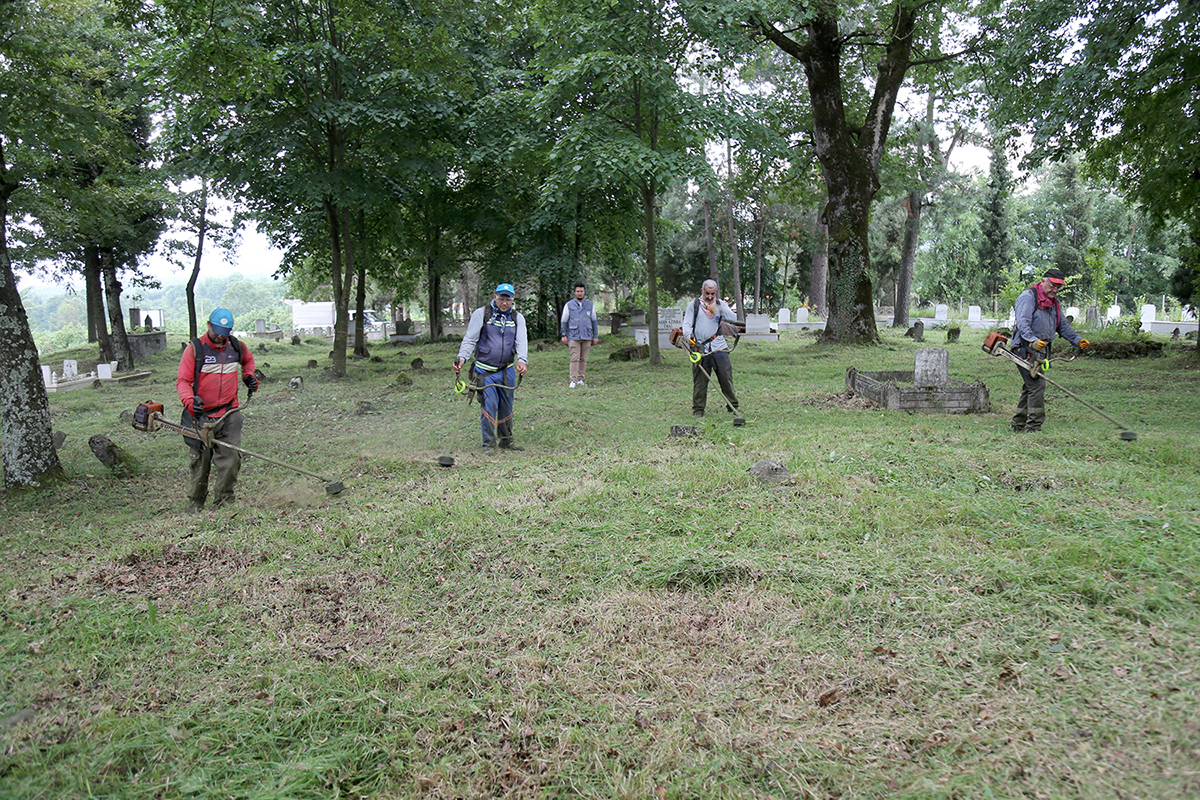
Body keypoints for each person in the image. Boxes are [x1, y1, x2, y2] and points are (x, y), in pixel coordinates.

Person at [176, 308, 258, 512]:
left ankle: (223, 502)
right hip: (201, 416)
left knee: (231, 460)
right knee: (201, 462)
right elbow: (183, 381)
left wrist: (249, 375)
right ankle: (196, 503)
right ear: (208, 325)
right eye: (217, 330)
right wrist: (189, 402)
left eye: (225, 331)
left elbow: (248, 361)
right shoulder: (196, 349)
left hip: (229, 412)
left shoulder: (236, 347)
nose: (220, 336)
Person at [1010, 268, 1089, 432]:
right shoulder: (1029, 297)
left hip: (1041, 350)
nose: (1055, 290)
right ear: (1044, 281)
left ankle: (1018, 424)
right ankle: (1033, 427)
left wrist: (1077, 340)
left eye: (1058, 287)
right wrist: (1032, 341)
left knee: (1030, 386)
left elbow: (1062, 326)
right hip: (1025, 348)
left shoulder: (1053, 302)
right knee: (1037, 385)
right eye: (1052, 286)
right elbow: (1023, 323)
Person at [454, 283, 529, 451]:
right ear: (495, 296)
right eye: (501, 298)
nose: (504, 303)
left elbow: (522, 341)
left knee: (506, 406)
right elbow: (470, 339)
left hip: (507, 370)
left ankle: (506, 441)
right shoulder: (481, 314)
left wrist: (522, 360)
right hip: (484, 372)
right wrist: (462, 358)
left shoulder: (517, 318)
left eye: (508, 299)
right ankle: (488, 445)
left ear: (512, 299)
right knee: (490, 405)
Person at [682, 279, 739, 418]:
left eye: (712, 294)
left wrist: (719, 308)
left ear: (716, 293)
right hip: (700, 348)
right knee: (700, 382)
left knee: (726, 378)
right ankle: (698, 410)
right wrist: (689, 338)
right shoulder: (694, 305)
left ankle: (733, 407)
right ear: (702, 291)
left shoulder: (720, 305)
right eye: (707, 293)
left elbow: (734, 318)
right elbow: (687, 324)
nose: (709, 297)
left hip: (719, 346)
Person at [560, 282, 599, 387]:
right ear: (574, 292)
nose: (579, 293)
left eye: (581, 291)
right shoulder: (569, 305)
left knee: (583, 358)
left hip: (587, 335)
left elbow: (594, 321)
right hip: (574, 336)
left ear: (584, 292)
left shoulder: (590, 305)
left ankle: (581, 379)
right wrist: (564, 335)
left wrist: (595, 336)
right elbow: (564, 321)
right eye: (577, 291)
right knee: (574, 358)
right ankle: (573, 380)